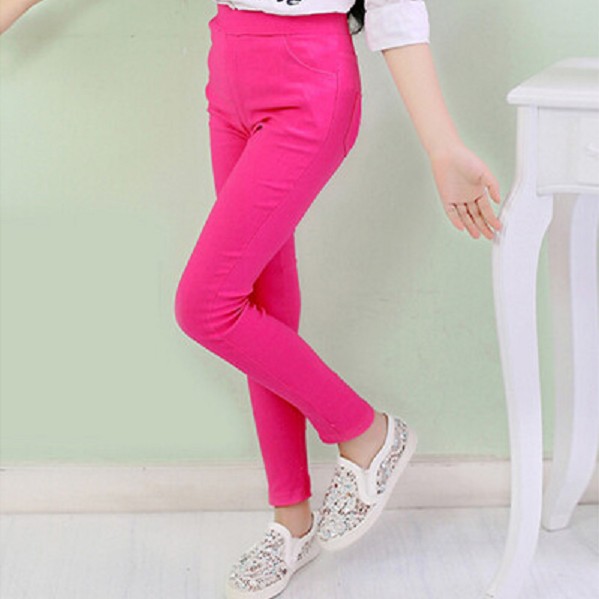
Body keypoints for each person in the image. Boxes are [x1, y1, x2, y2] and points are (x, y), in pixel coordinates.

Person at [1, 1, 502, 597]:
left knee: (206, 306)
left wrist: (442, 147)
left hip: (309, 81)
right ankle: (292, 520)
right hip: (230, 68)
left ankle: (365, 431)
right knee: (263, 305)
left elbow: (396, 11)